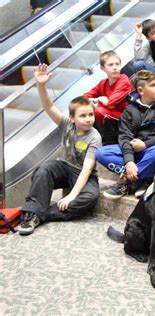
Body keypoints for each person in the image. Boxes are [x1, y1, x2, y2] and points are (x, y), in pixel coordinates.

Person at [19, 64, 101, 236]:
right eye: (83, 115)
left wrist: (72, 196)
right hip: (63, 167)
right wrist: (41, 84)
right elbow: (49, 107)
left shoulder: (94, 137)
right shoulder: (66, 124)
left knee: (90, 197)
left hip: (82, 174)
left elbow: (87, 169)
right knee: (43, 170)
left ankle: (40, 215)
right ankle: (31, 214)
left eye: (90, 115)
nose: (88, 119)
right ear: (72, 118)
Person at [96, 70, 155, 199]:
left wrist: (145, 144)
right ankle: (142, 176)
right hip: (134, 150)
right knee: (101, 153)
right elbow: (124, 137)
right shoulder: (129, 111)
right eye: (152, 85)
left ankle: (129, 181)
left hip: (152, 150)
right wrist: (129, 161)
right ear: (141, 91)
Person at [84, 50, 134, 145]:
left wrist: (96, 101)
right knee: (84, 109)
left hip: (128, 118)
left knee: (99, 111)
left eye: (117, 64)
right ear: (102, 68)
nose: (115, 67)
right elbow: (83, 99)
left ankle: (111, 142)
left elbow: (110, 103)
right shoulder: (103, 83)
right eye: (110, 65)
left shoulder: (124, 80)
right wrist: (96, 100)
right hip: (113, 118)